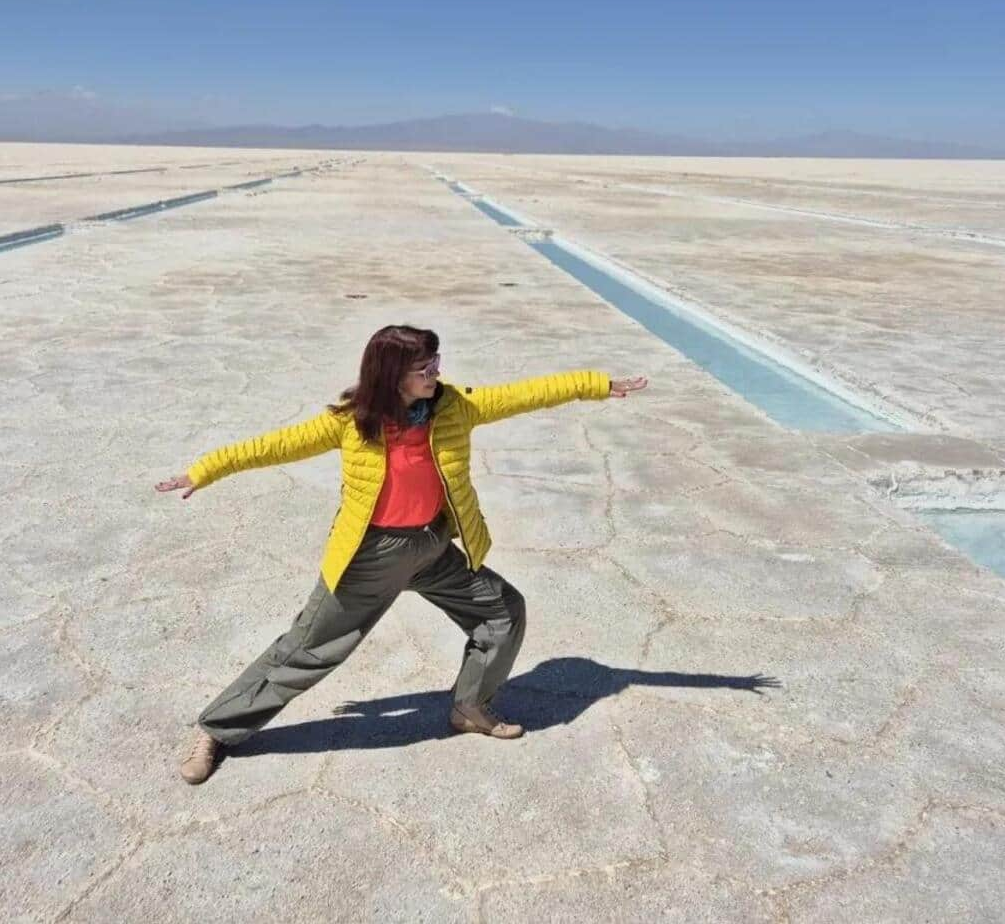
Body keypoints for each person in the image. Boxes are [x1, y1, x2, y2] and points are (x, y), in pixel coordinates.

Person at [153, 324, 649, 784]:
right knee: (305, 652)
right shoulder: (352, 423)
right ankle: (216, 730)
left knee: (502, 611)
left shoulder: (455, 407)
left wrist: (597, 384)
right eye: (425, 368)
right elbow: (273, 446)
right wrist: (205, 470)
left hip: (430, 546)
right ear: (392, 376)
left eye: (436, 362)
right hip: (370, 556)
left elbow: (525, 394)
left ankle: (470, 707)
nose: (436, 374)